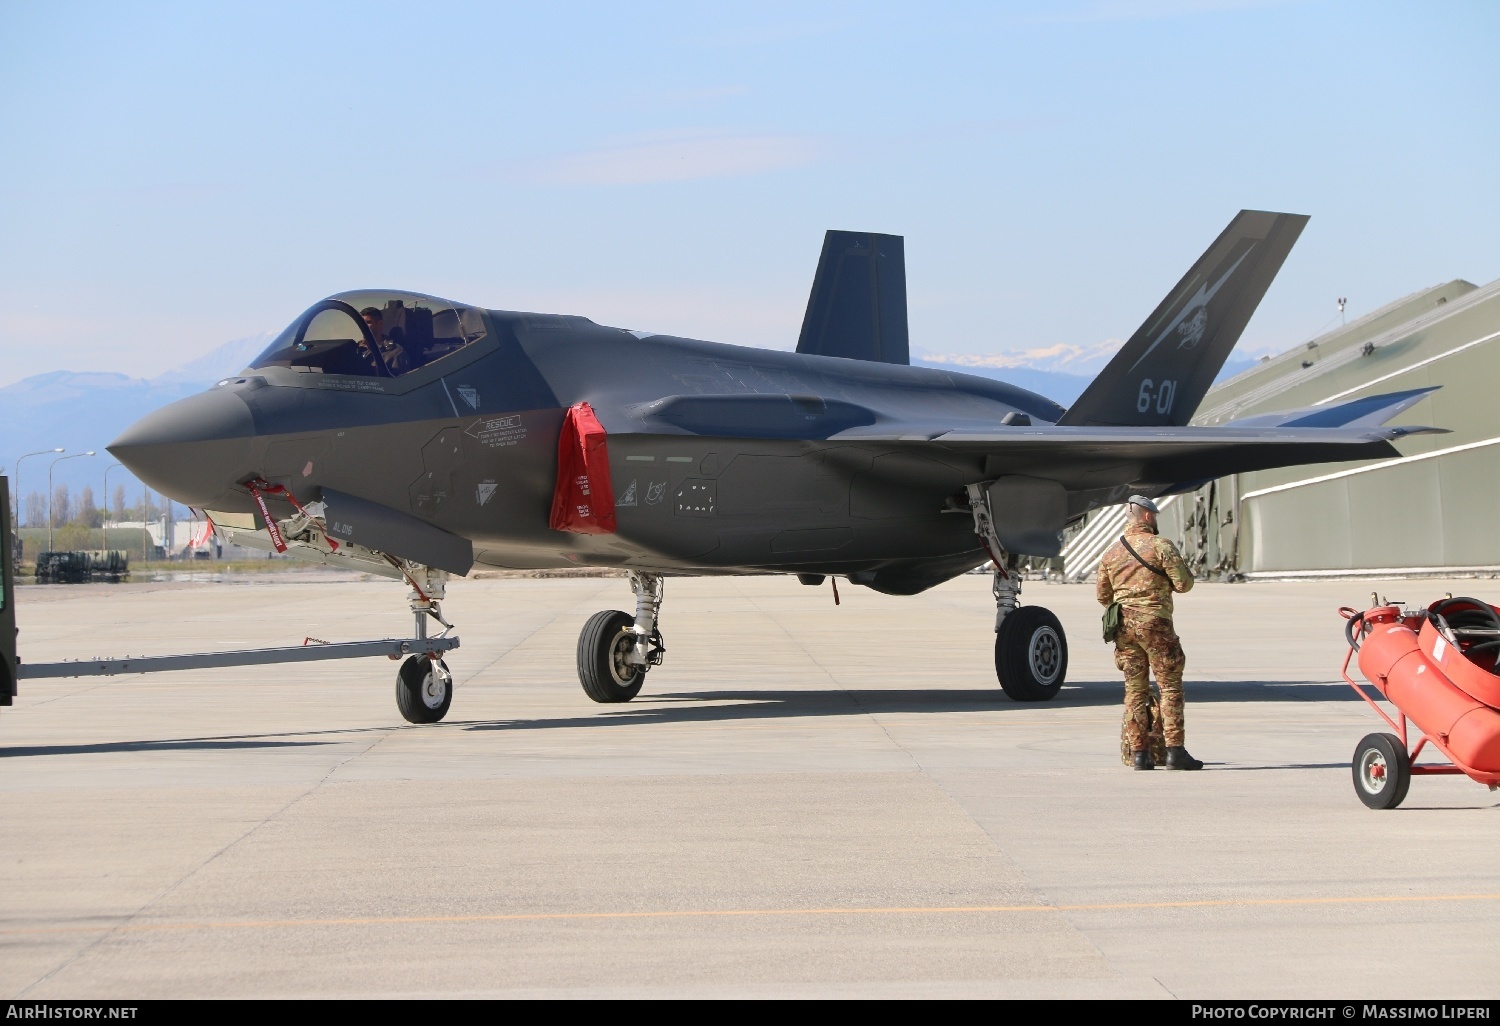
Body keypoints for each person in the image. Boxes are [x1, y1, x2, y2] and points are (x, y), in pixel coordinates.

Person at [1096, 495, 1204, 771]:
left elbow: (1103, 596)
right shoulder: (1161, 546)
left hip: (1124, 630)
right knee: (1170, 688)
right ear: (1147, 517)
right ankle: (1174, 752)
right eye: (1154, 516)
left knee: (1134, 691)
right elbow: (1184, 585)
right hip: (1155, 625)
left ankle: (1140, 754)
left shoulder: (1111, 553)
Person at [359, 307, 410, 376]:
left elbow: (399, 383)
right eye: (362, 323)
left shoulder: (396, 352)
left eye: (368, 322)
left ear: (379, 323)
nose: (363, 326)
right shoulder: (356, 349)